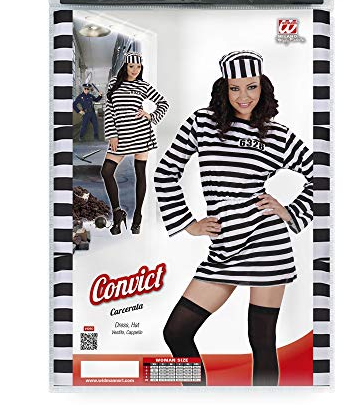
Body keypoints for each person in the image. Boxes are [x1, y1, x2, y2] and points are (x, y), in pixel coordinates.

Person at [154, 50, 313, 386]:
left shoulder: (276, 134)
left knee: (262, 343)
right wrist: (188, 223)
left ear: (262, 87)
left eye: (251, 87)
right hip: (224, 247)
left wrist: (290, 211)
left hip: (268, 246)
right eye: (235, 88)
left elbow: (323, 174)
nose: (244, 96)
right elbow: (165, 172)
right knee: (176, 333)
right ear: (223, 89)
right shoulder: (202, 123)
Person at [101, 52, 169, 235]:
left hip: (140, 133)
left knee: (140, 173)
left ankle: (138, 216)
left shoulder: (143, 86)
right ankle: (118, 212)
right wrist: (112, 135)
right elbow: (109, 110)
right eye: (132, 66)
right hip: (121, 135)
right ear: (125, 66)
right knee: (106, 172)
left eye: (138, 67)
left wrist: (151, 116)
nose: (135, 70)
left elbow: (163, 103)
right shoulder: (114, 84)